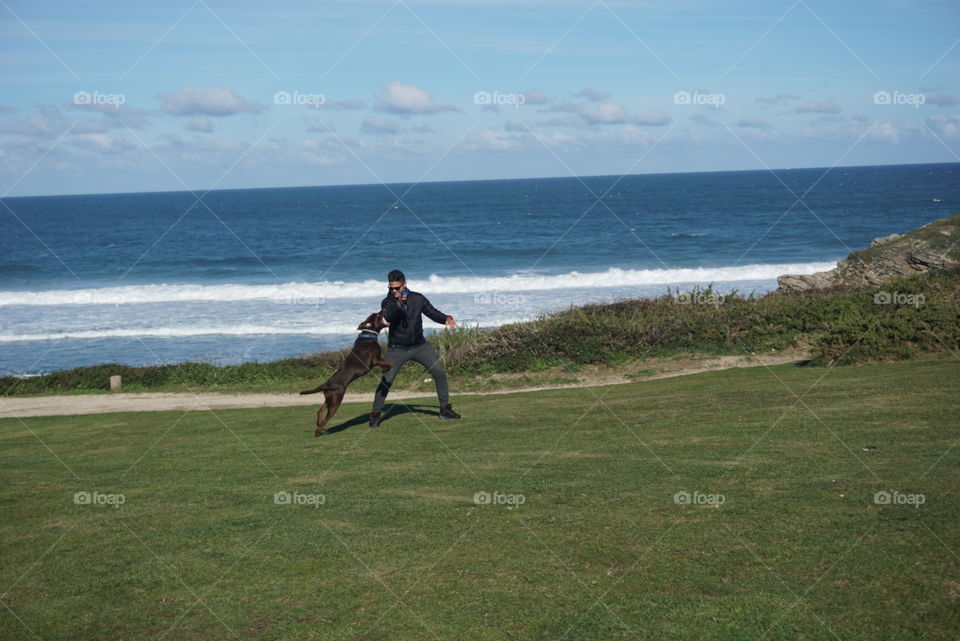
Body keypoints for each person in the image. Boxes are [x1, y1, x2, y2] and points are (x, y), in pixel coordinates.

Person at [369, 269, 461, 427]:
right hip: (397, 349)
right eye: (390, 288)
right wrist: (400, 303)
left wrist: (446, 318)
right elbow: (390, 316)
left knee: (439, 372)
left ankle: (445, 410)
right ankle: (375, 414)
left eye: (397, 288)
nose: (393, 291)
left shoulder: (418, 298)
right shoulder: (387, 302)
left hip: (420, 346)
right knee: (387, 380)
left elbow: (432, 312)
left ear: (405, 284)